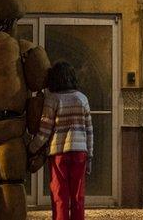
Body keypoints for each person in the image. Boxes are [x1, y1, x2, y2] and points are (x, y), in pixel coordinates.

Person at [27, 60, 93, 220]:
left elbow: (45, 130)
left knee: (60, 195)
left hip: (58, 154)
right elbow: (89, 131)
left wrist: (31, 148)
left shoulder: (53, 99)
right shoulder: (82, 98)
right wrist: (89, 156)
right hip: (80, 152)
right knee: (78, 196)